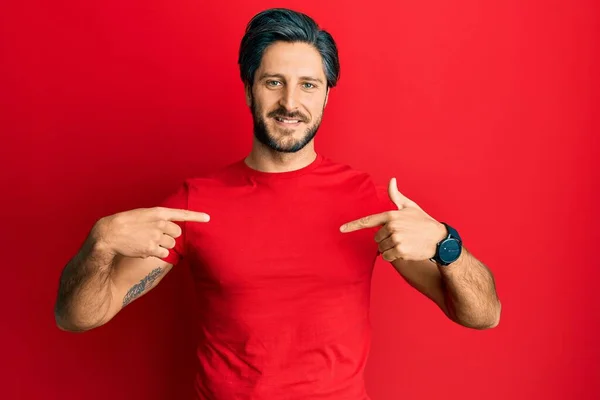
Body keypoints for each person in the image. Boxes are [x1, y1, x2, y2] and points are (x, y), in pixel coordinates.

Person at [54, 7, 501, 400]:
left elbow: (483, 317)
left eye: (308, 85)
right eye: (274, 82)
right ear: (250, 89)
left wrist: (447, 244)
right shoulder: (194, 204)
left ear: (326, 95)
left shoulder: (367, 201)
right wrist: (100, 244)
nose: (291, 102)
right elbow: (76, 318)